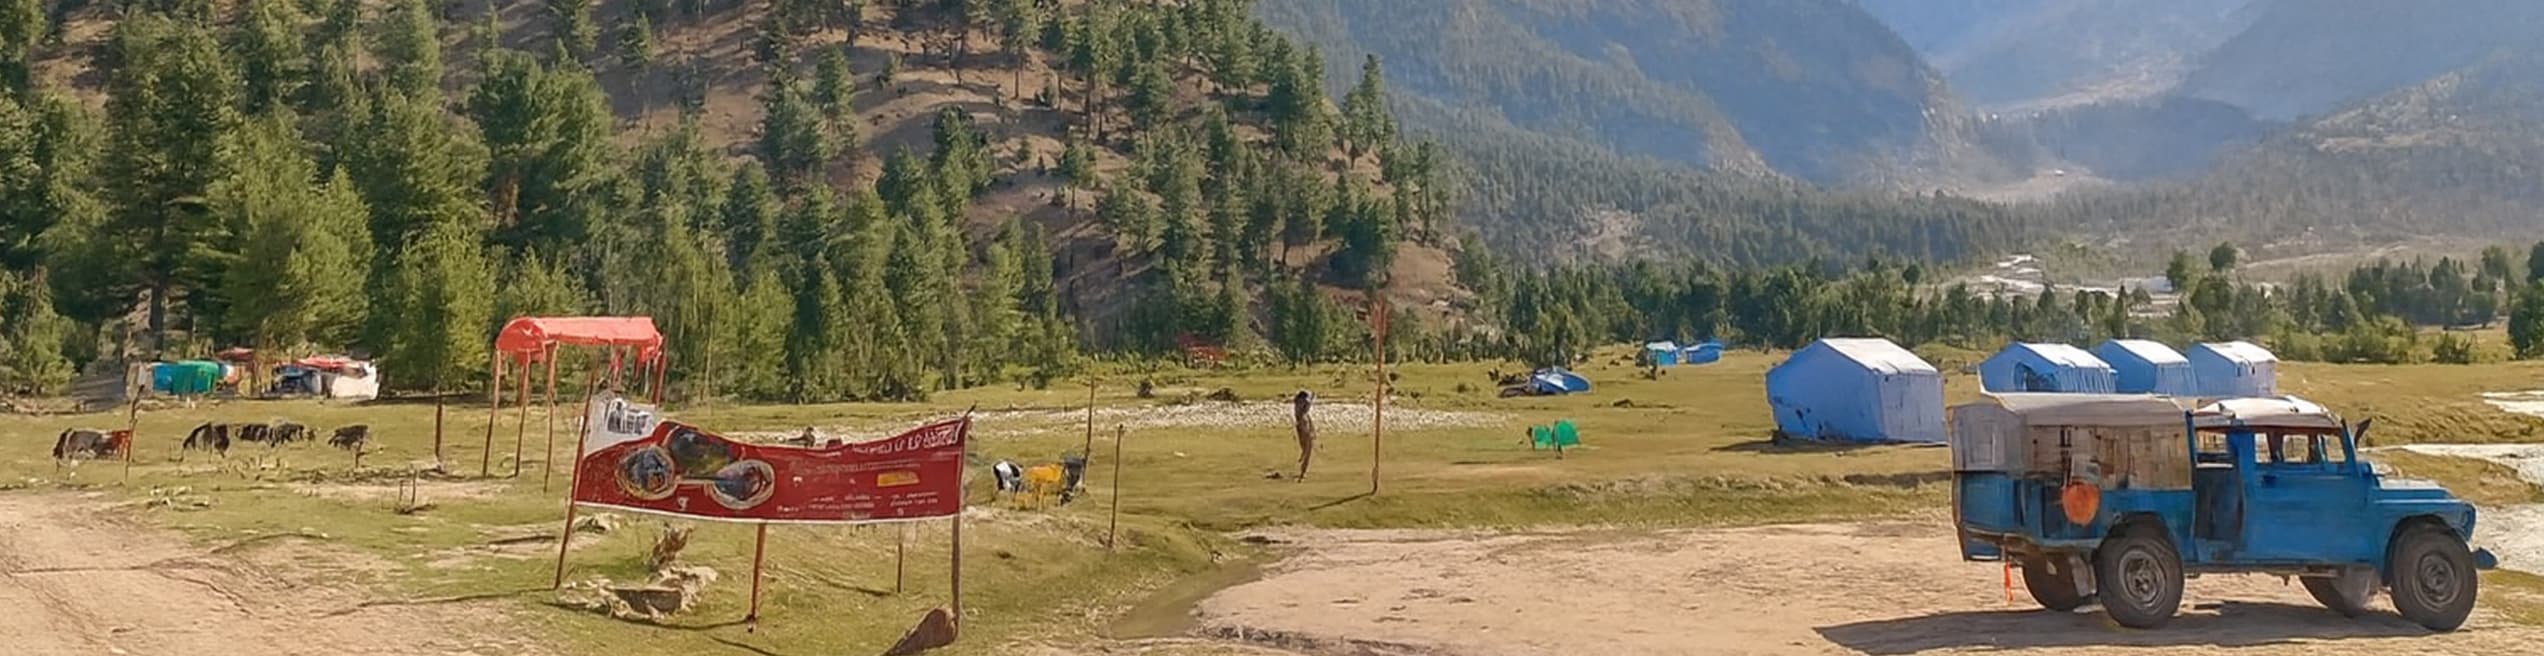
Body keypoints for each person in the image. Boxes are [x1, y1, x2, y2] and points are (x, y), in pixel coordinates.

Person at [1291, 390, 1316, 481]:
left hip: (1301, 424)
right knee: (1307, 449)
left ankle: (1302, 471)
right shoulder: (1303, 405)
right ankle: (1302, 472)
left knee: (1306, 448)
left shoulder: (1298, 405)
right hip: (1302, 425)